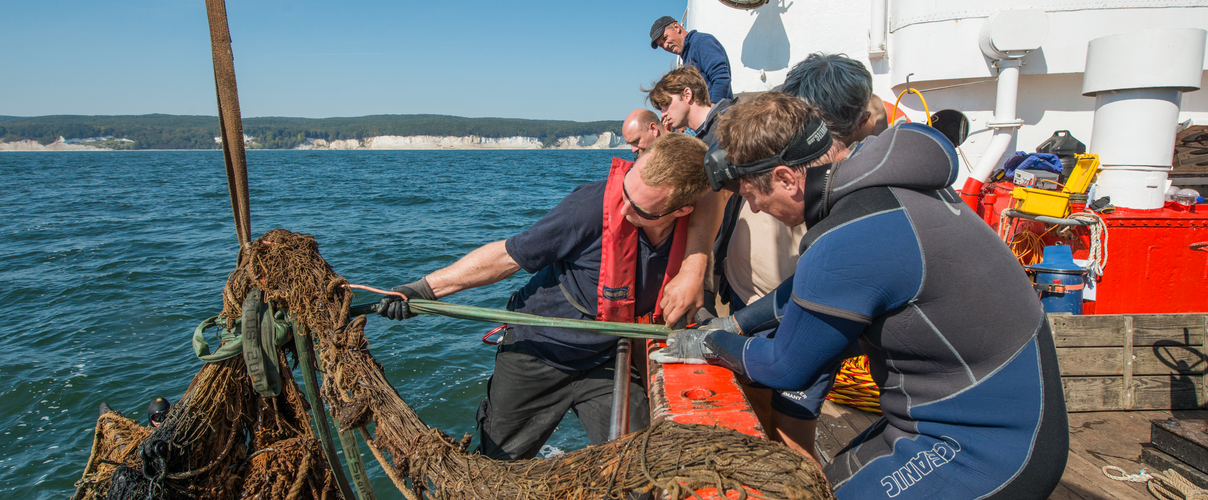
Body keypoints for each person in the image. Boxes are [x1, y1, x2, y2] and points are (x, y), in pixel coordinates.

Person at [653, 92, 1068, 498]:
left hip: (987, 447)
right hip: (994, 417)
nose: (757, 210)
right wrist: (737, 322)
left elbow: (786, 368)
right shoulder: (884, 188)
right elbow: (804, 291)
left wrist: (710, 343)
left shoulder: (847, 234)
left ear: (785, 178)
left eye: (751, 196)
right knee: (826, 483)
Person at [379, 133, 711, 460]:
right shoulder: (588, 209)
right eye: (626, 190)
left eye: (640, 209)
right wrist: (423, 290)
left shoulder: (699, 216)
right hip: (536, 352)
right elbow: (505, 258)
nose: (623, 211)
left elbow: (717, 195)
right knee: (497, 468)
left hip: (603, 361)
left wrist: (694, 269)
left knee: (641, 468)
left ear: (681, 212)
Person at [649, 16, 733, 105]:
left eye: (665, 38)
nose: (665, 46)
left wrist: (713, 111)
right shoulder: (687, 55)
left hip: (720, 115)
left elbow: (721, 77)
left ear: (676, 27)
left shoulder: (701, 42)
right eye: (661, 45)